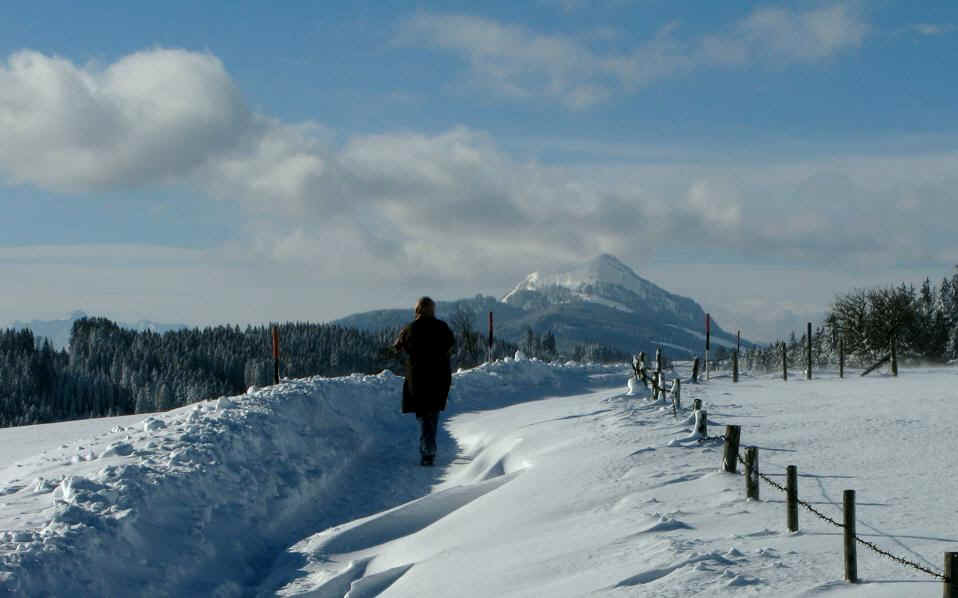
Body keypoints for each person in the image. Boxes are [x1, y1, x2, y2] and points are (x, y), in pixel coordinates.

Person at [393, 297, 456, 466]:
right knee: (432, 412)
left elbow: (398, 346)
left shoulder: (409, 328)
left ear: (417, 310)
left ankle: (427, 449)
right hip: (438, 375)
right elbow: (451, 343)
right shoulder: (441, 327)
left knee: (423, 413)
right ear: (432, 309)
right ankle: (428, 448)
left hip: (418, 376)